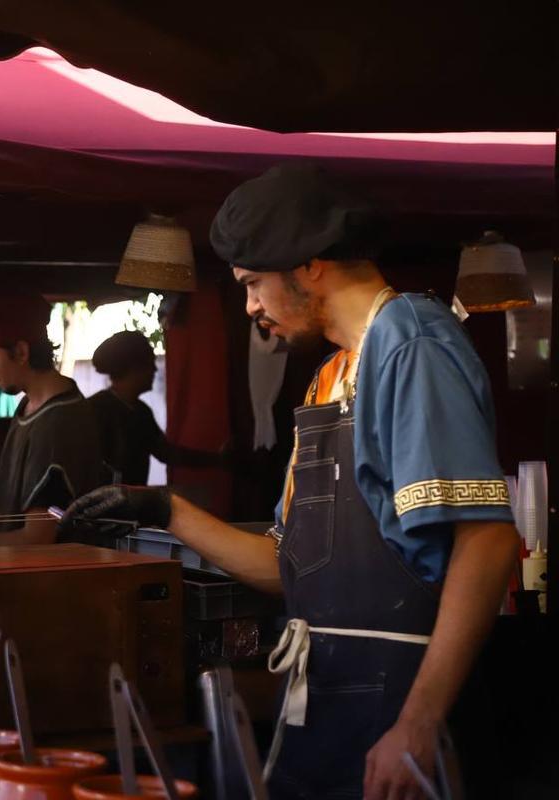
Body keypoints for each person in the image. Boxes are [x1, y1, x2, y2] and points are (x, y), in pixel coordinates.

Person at [64, 163, 519, 799]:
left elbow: (487, 541)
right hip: (332, 700)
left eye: (253, 283)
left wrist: (418, 723)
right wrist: (165, 510)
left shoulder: (410, 345)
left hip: (403, 703)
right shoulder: (331, 377)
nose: (250, 305)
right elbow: (289, 569)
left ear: (310, 263)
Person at [0, 292, 104, 547]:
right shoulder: (29, 404)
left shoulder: (58, 423)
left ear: (20, 352)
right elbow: (18, 474)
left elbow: (36, 539)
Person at [88, 330, 224, 484]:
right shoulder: (95, 410)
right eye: (150, 363)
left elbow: (168, 453)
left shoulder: (142, 412)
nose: (155, 369)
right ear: (134, 368)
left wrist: (218, 459)